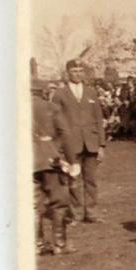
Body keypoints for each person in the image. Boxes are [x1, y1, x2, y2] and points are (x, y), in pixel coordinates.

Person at [51, 59, 106, 223]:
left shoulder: (91, 92)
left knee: (91, 180)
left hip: (91, 142)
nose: (78, 74)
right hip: (70, 145)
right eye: (74, 71)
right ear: (68, 73)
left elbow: (98, 118)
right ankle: (74, 214)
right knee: (73, 180)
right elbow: (55, 121)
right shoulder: (60, 94)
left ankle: (91, 213)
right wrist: (59, 146)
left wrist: (101, 145)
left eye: (81, 71)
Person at [33, 79, 80, 255]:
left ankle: (36, 245)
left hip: (25, 161)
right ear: (42, 91)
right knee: (59, 202)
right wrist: (72, 160)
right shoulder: (51, 107)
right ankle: (59, 244)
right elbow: (65, 134)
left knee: (31, 205)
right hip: (50, 159)